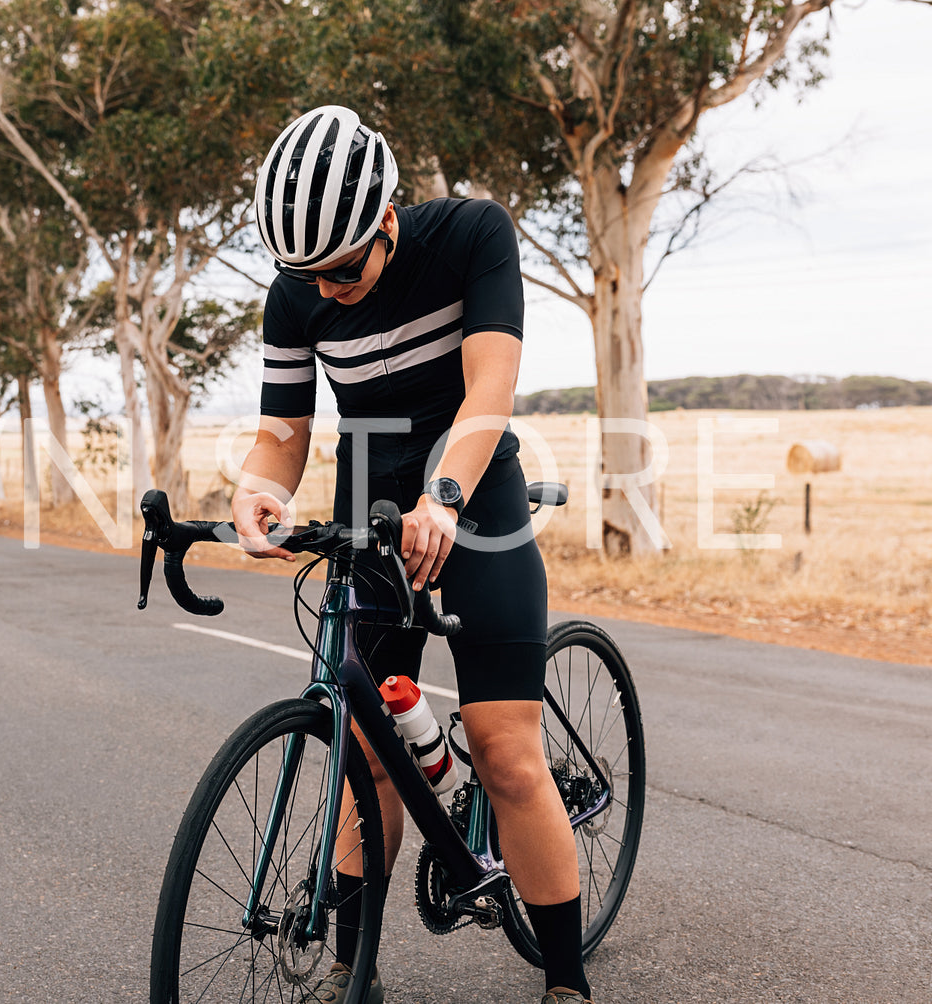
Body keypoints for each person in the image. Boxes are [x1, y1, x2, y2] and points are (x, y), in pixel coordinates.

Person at [232, 105, 593, 1004]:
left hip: (475, 499)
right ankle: (357, 974)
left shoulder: (471, 235)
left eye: (344, 268)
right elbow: (283, 430)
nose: (329, 288)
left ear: (386, 221)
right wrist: (257, 487)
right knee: (363, 751)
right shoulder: (298, 296)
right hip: (369, 501)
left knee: (504, 751)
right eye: (307, 276)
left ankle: (565, 981)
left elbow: (488, 391)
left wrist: (444, 495)